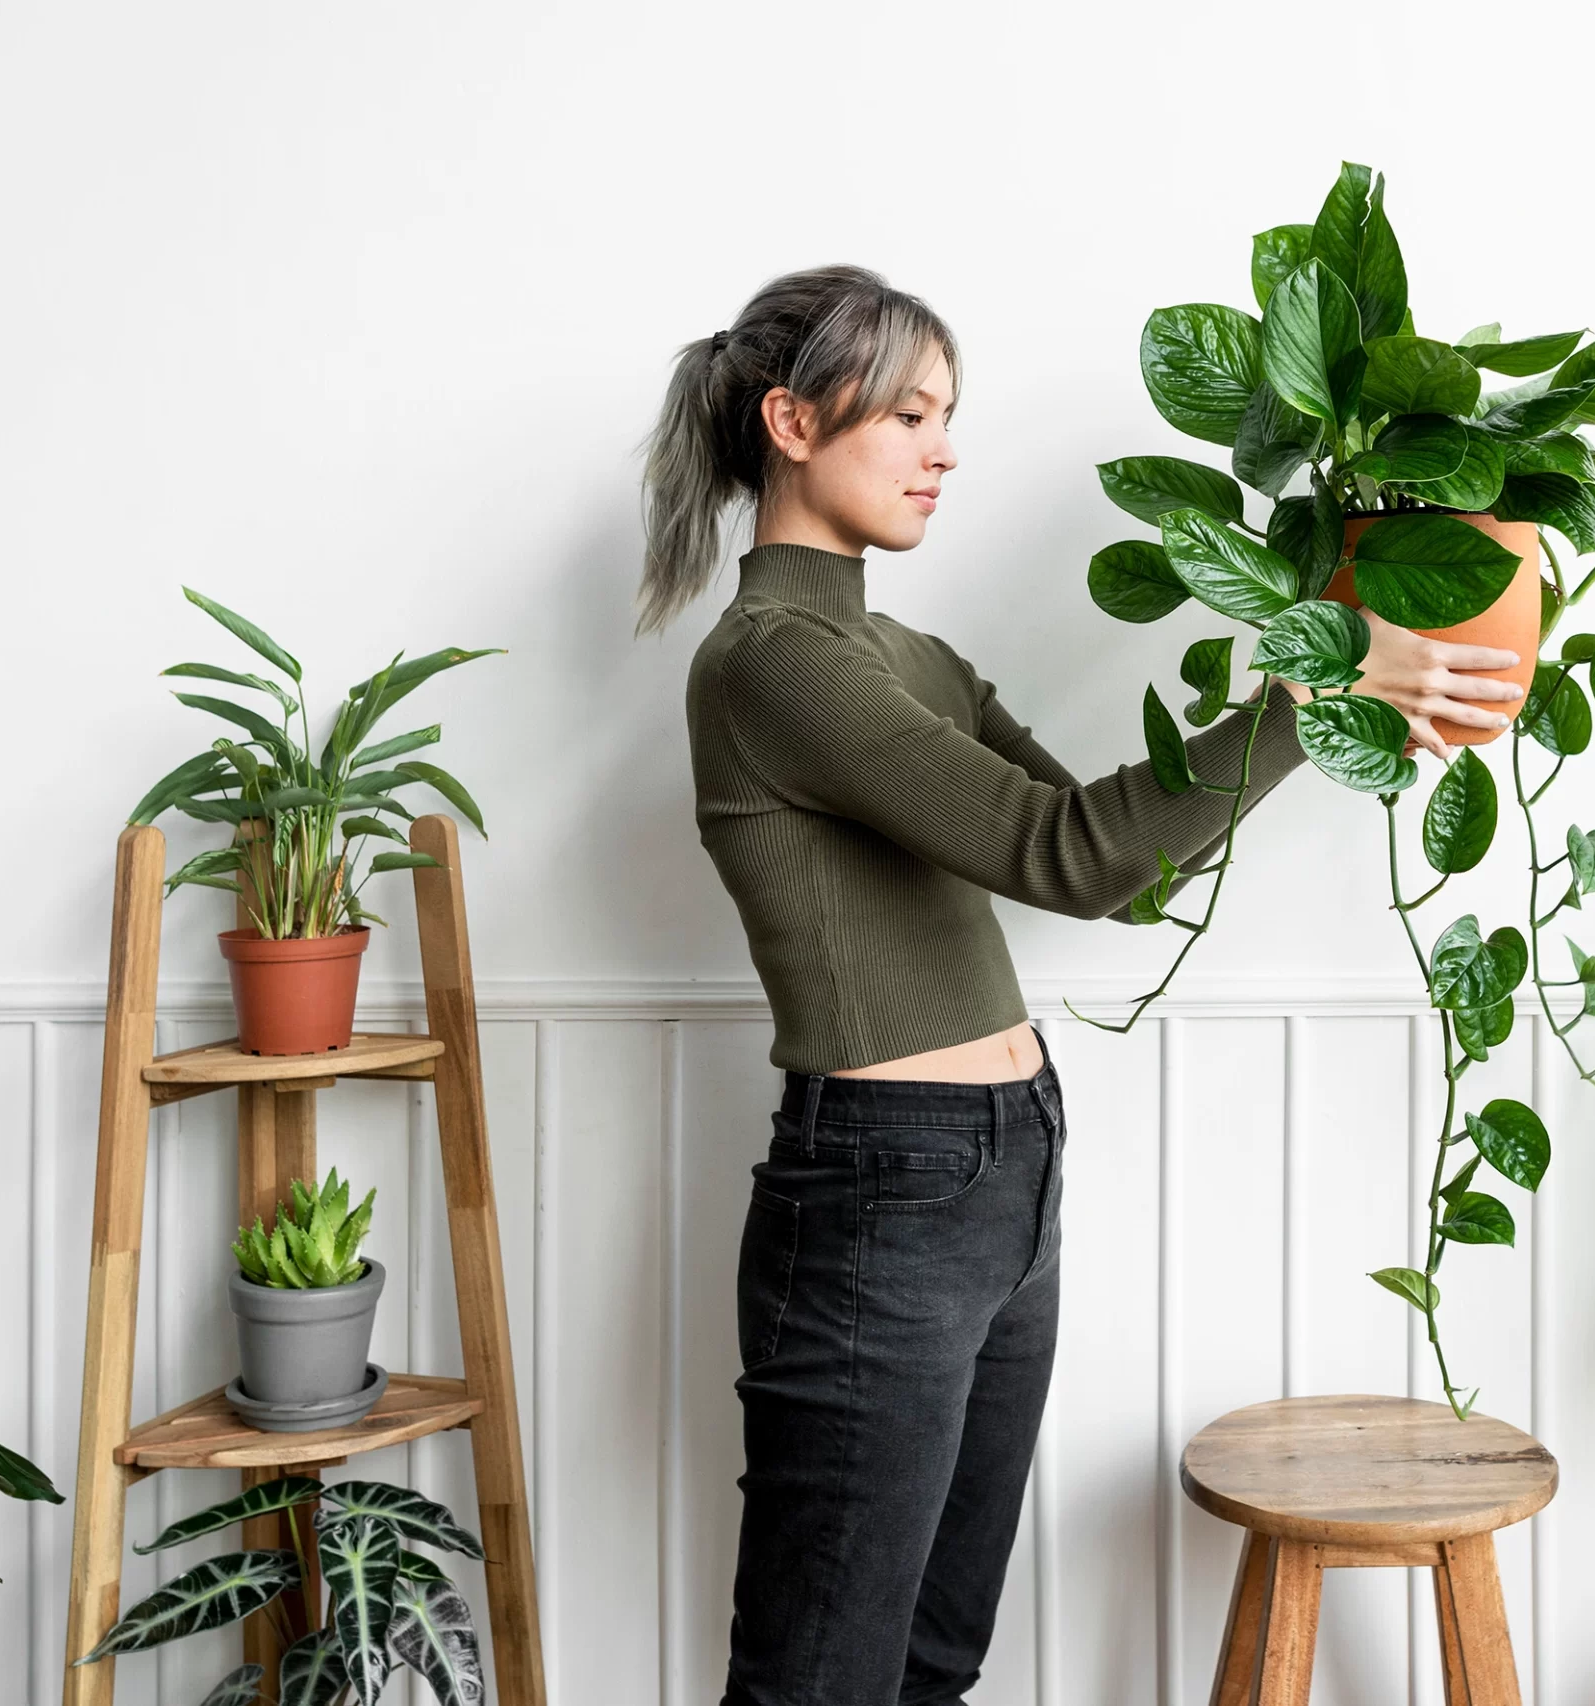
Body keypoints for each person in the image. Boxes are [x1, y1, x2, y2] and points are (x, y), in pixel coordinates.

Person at [636, 263, 1524, 1706]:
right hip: (881, 1199)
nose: (944, 448)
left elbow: (1135, 868)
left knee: (933, 1659)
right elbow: (1065, 854)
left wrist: (1335, 691)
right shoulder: (772, 663)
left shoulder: (910, 655)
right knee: (822, 1680)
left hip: (1008, 1174)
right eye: (909, 412)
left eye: (949, 415)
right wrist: (1308, 689)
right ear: (790, 422)